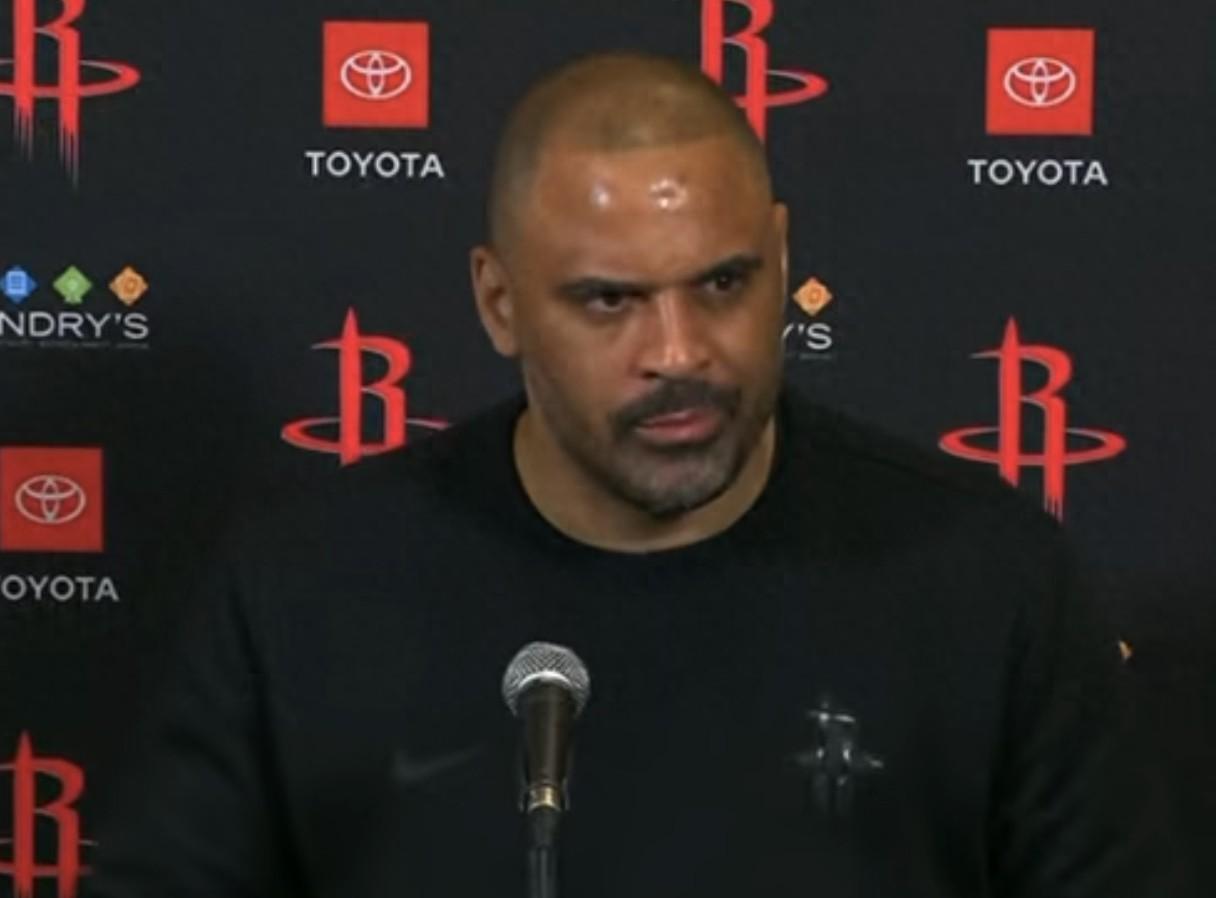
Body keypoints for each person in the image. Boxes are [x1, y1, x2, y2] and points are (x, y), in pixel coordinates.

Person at [86, 53, 1191, 897]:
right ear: (499, 303)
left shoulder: (984, 579)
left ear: (783, 260)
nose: (678, 352)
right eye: (609, 300)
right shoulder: (307, 590)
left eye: (723, 284)